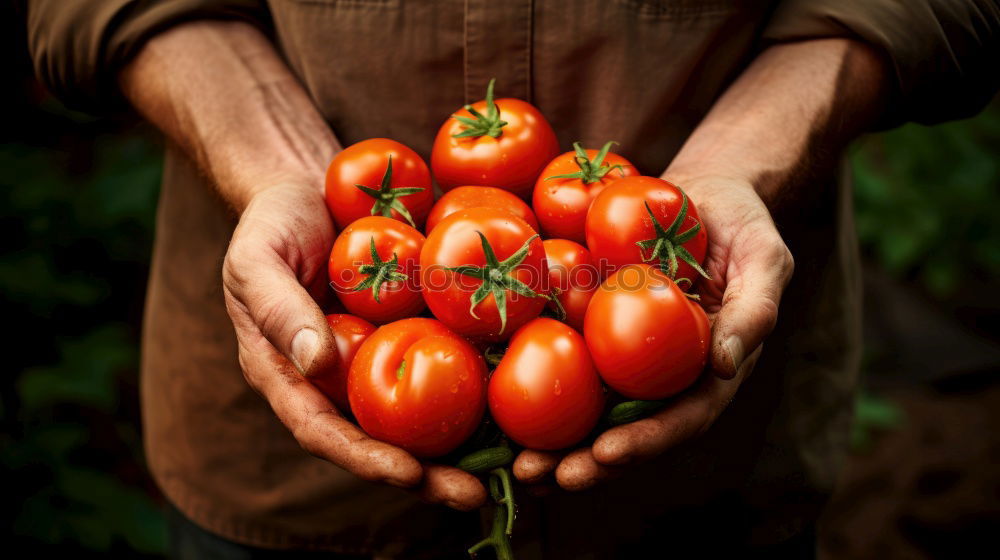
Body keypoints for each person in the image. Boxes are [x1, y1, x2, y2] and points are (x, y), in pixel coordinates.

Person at [26, 0, 999, 557]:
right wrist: (269, 158)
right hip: (283, 489)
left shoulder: (539, 268)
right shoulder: (498, 266)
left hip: (709, 487)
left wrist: (745, 155)